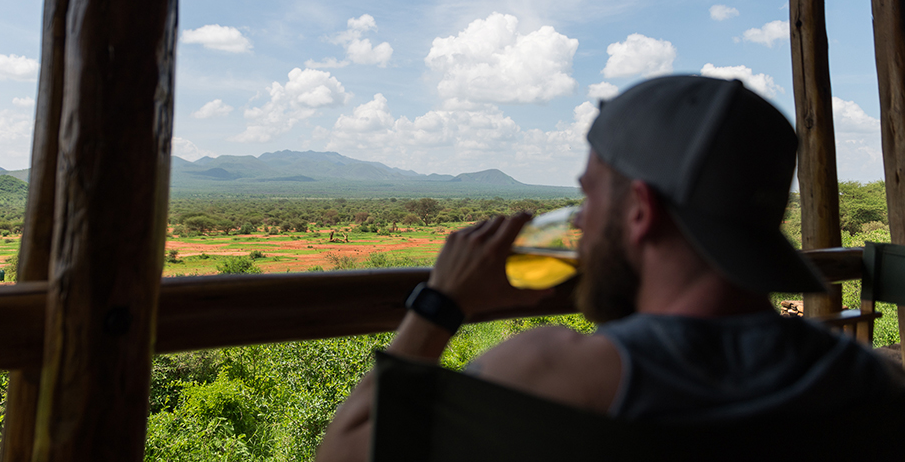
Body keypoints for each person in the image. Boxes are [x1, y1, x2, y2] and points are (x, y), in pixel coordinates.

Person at [315, 75, 904, 461]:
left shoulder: (553, 376)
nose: (579, 221)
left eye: (590, 196)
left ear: (641, 212)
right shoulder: (869, 382)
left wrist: (441, 301)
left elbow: (344, 450)